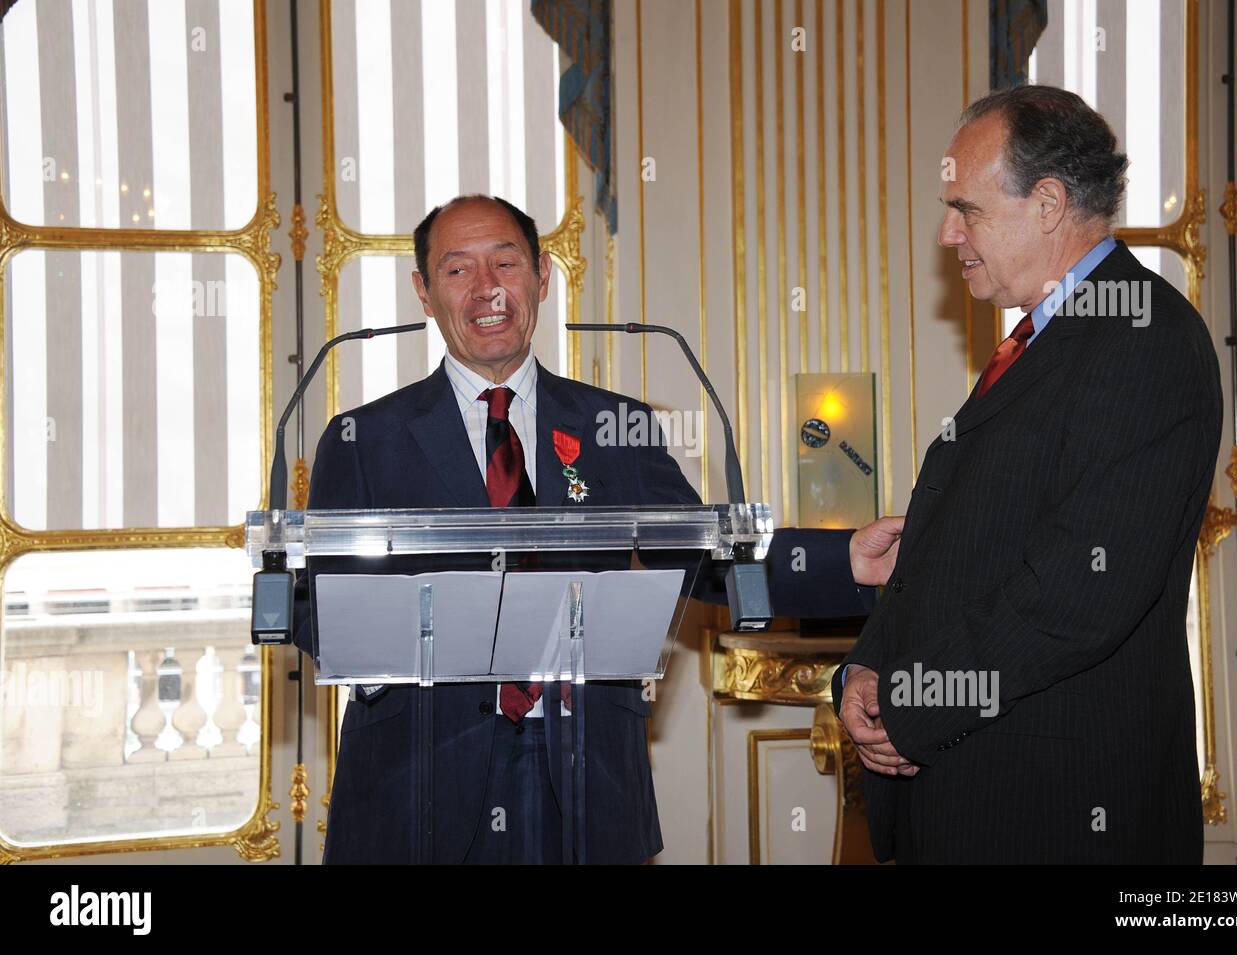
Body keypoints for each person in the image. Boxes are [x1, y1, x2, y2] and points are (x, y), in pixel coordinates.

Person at [296, 194, 902, 863]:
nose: (488, 287)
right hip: (418, 785)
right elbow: (314, 608)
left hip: (586, 782)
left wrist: (845, 559)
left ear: (542, 276)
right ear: (425, 292)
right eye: (458, 270)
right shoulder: (363, 439)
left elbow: (706, 557)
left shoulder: (614, 426)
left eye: (506, 262)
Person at [833, 85, 1221, 864]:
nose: (947, 234)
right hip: (976, 794)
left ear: (1047, 203)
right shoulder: (1046, 339)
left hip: (1057, 808)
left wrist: (914, 703)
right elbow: (947, 550)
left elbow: (1076, 596)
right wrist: (868, 665)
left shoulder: (1145, 342)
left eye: (965, 208)